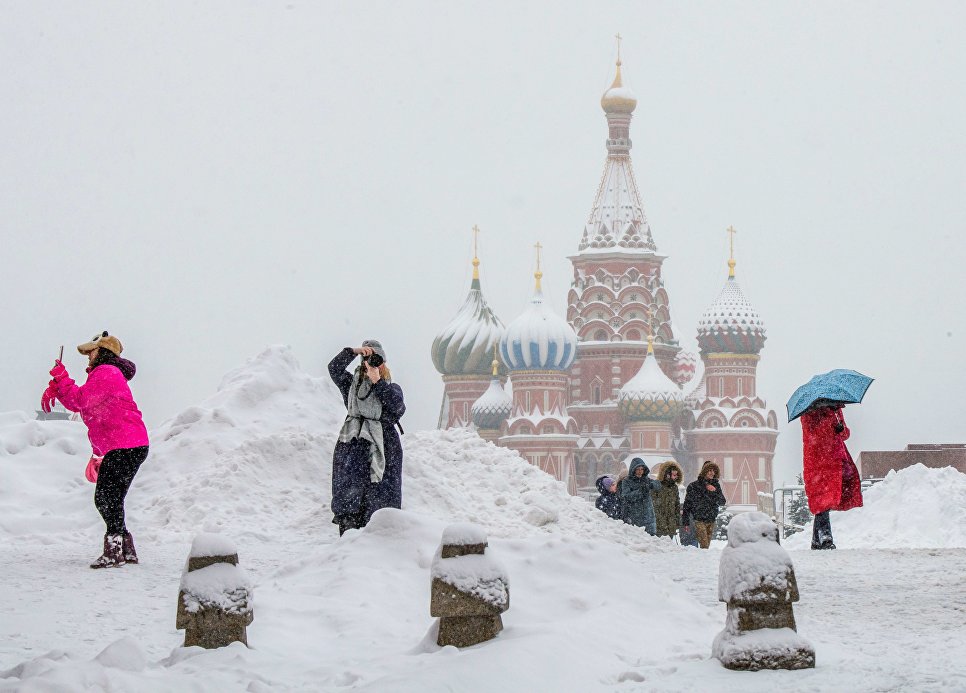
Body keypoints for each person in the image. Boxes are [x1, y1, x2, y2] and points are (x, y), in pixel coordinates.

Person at [41, 332, 149, 568]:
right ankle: (125, 549)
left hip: (126, 445)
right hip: (129, 444)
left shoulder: (107, 372)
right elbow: (88, 407)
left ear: (103, 352)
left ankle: (114, 551)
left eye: (92, 351)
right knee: (112, 499)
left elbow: (81, 401)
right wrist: (58, 387)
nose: (88, 355)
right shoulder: (106, 375)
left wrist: (61, 378)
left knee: (105, 498)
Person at [328, 340, 405, 536]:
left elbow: (397, 408)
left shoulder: (391, 388)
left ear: (383, 364)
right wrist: (353, 352)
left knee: (379, 507)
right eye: (368, 360)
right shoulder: (352, 387)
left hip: (384, 448)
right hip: (353, 446)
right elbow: (334, 368)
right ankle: (348, 536)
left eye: (376, 360)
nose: (372, 363)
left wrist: (377, 381)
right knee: (350, 503)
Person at [801, 401, 863, 549]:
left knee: (828, 497)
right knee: (823, 497)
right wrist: (831, 423)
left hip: (836, 457)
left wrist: (841, 429)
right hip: (819, 460)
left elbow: (844, 433)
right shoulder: (809, 411)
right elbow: (813, 434)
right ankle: (825, 538)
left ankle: (817, 540)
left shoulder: (835, 409)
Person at [681, 461, 726, 549]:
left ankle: (701, 560)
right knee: (704, 544)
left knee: (706, 546)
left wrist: (714, 491)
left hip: (711, 519)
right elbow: (687, 505)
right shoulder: (693, 486)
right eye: (709, 470)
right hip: (698, 519)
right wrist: (685, 523)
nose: (712, 473)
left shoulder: (716, 485)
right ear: (704, 471)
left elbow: (722, 502)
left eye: (713, 471)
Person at [619, 458, 661, 535]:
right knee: (638, 541)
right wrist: (641, 491)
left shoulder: (646, 480)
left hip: (648, 516)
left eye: (642, 469)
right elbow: (626, 496)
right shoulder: (627, 481)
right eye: (637, 469)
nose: (640, 471)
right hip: (635, 516)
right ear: (633, 469)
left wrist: (652, 485)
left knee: (651, 541)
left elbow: (658, 485)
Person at [652, 460, 683, 539]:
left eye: (676, 475)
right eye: (674, 475)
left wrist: (677, 521)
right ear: (667, 474)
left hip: (671, 523)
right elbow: (654, 505)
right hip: (659, 524)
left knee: (669, 545)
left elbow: (677, 505)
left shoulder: (674, 487)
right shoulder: (657, 485)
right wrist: (659, 520)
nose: (675, 477)